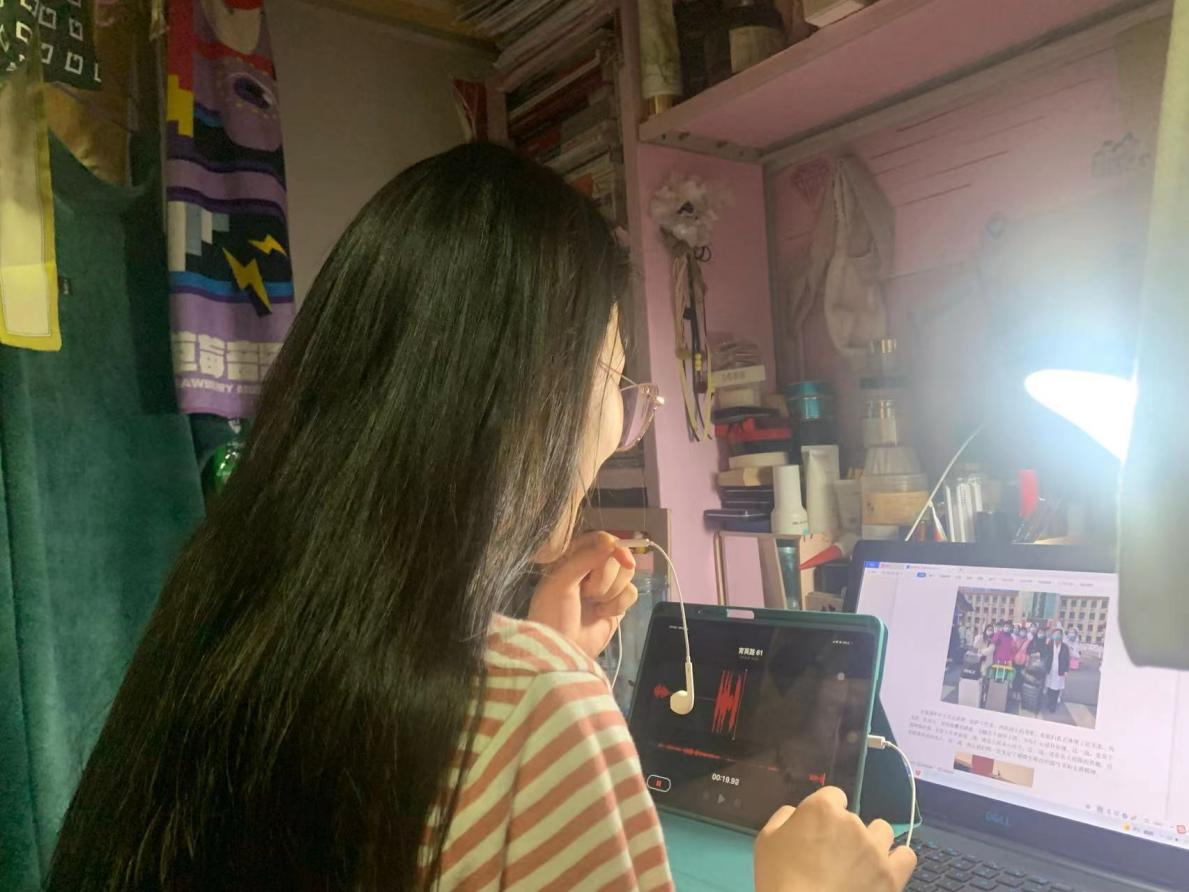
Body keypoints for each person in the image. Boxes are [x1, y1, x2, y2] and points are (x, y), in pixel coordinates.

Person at [45, 144, 915, 892]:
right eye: (616, 382)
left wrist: (531, 666)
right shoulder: (539, 700)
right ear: (529, 399)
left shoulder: (222, 603)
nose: (617, 429)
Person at [1043, 628, 1072, 713]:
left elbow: (1067, 659)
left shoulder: (1064, 647)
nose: (1057, 635)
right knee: (1049, 687)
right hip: (1050, 669)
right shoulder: (1049, 645)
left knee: (1056, 688)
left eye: (1058, 634)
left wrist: (1066, 670)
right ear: (1052, 635)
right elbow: (1044, 655)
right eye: (1055, 634)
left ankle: (1053, 705)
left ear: (1061, 636)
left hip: (1060, 670)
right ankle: (1049, 702)